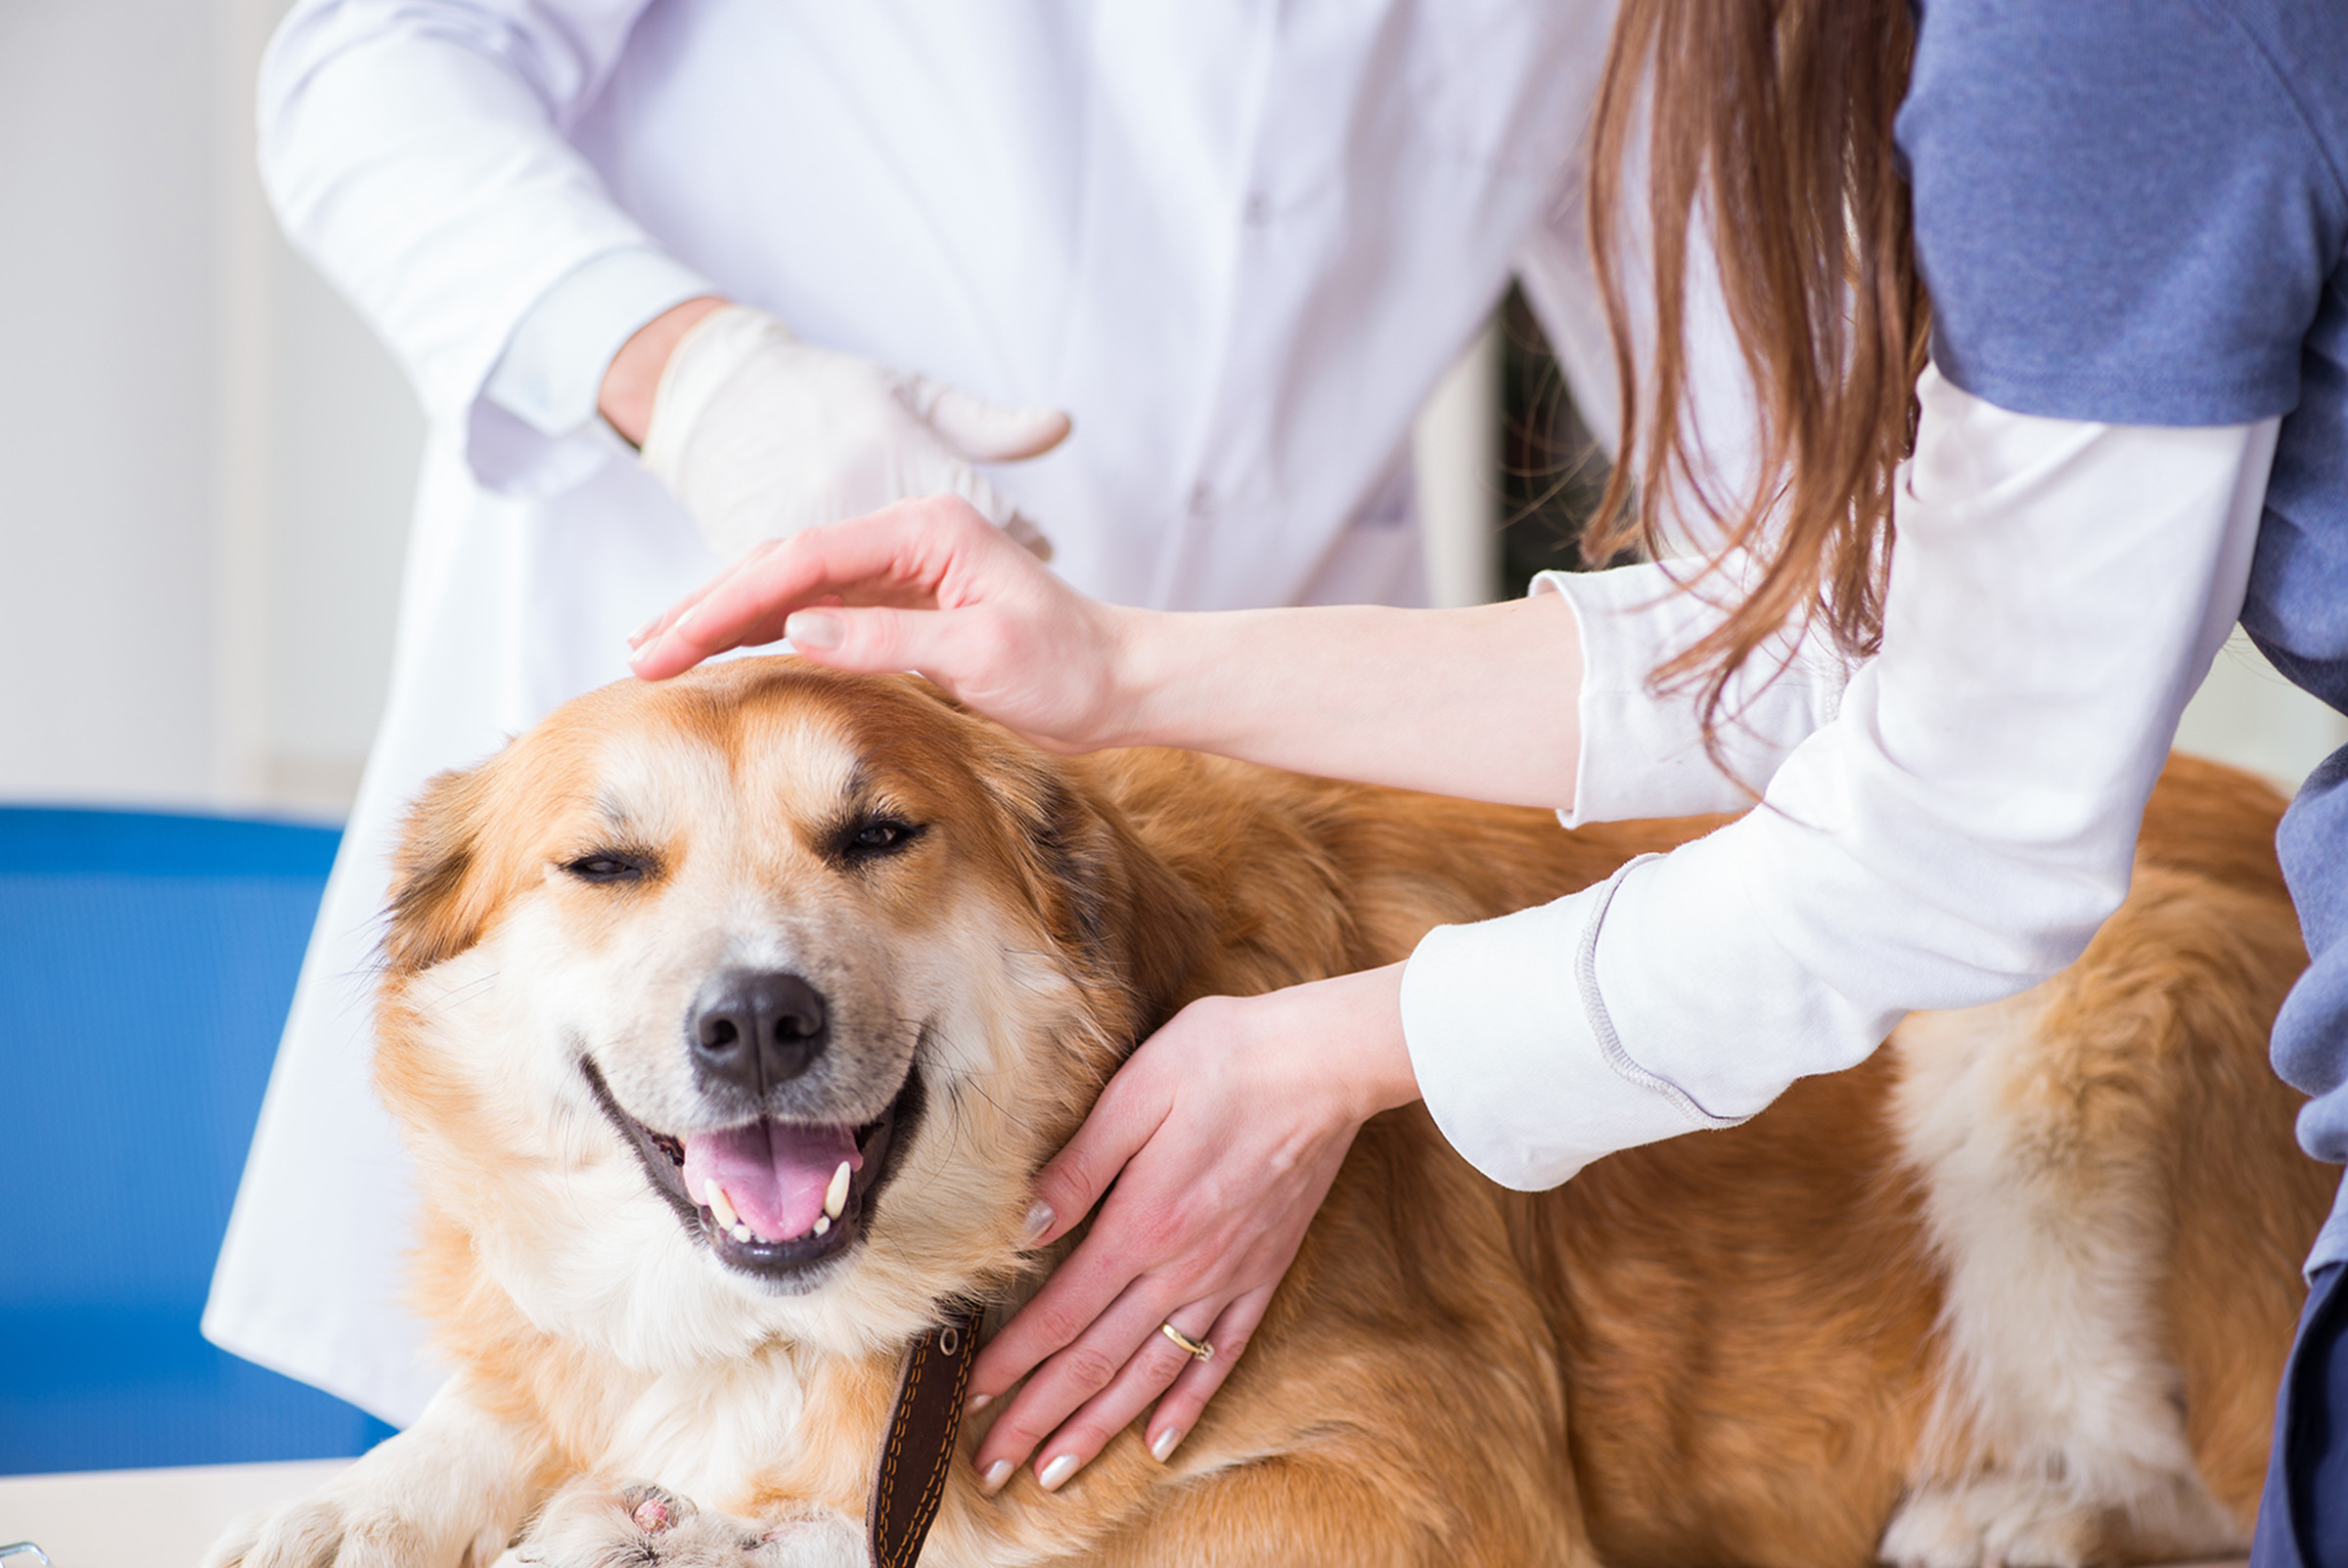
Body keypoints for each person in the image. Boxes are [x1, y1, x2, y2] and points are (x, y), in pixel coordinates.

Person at [630, 0, 2348, 1558]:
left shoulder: (2097, 44)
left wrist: (1343, 1048)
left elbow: (1969, 818)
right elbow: (1872, 641)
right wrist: (1121, 666)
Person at [202, 0, 1700, 1427]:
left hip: (1193, 952)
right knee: (561, 1443)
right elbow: (370, 65)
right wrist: (702, 375)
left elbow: (1795, 570)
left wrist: (1391, 1023)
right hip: (661, 684)